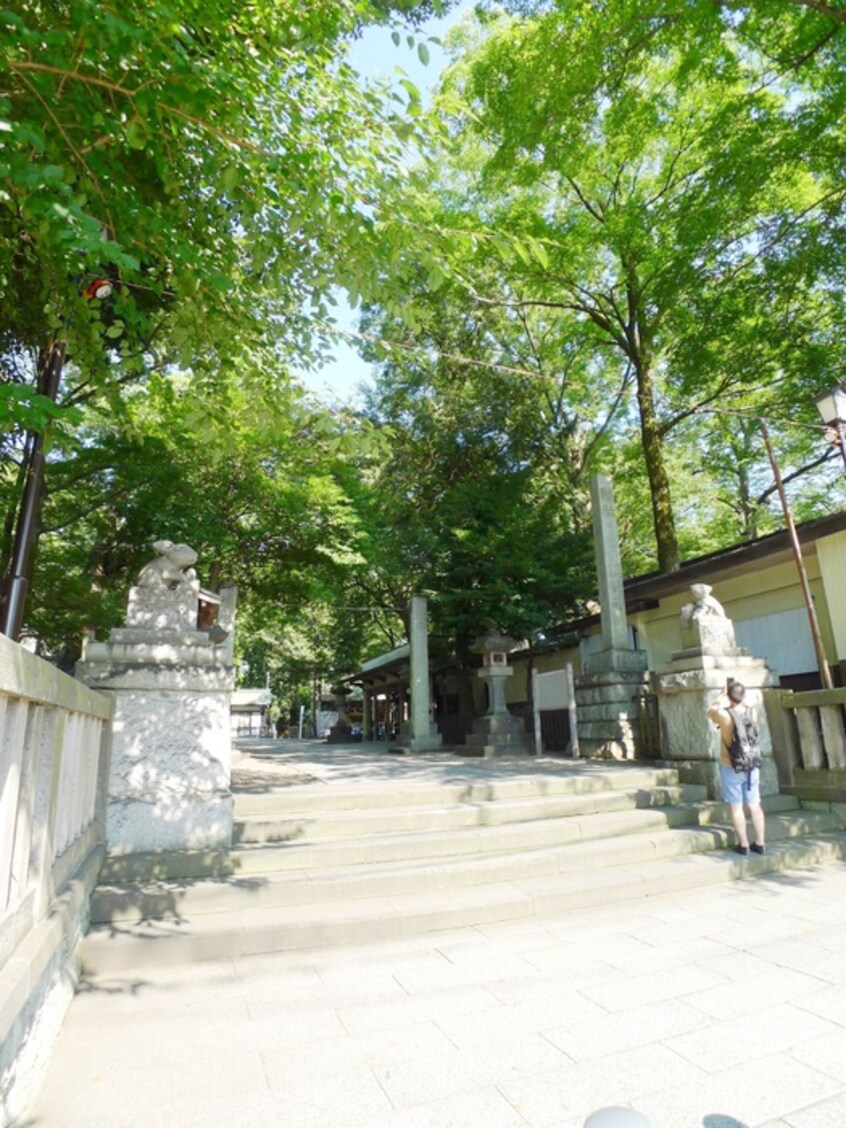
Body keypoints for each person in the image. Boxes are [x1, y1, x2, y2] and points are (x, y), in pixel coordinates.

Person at [707, 680, 766, 856]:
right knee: (755, 805)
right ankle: (761, 843)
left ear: (729, 696)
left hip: (731, 764)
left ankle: (744, 844)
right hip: (751, 764)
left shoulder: (725, 716)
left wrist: (721, 695)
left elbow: (710, 711)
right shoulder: (752, 712)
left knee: (736, 807)